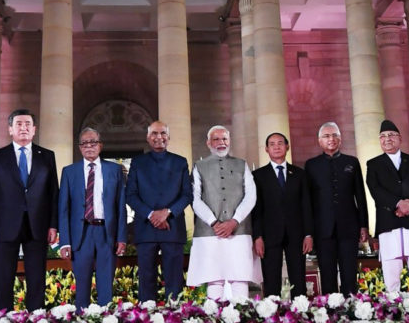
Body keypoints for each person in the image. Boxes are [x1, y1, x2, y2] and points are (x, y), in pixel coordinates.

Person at [0, 108, 59, 311]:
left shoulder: (47, 156)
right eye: (19, 124)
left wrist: (53, 225)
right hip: (4, 226)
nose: (23, 128)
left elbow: (53, 194)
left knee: (37, 279)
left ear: (34, 129)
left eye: (27, 124)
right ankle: (2, 322)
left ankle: (36, 321)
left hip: (37, 226)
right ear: (10, 129)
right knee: (3, 279)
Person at [187, 125, 262, 301]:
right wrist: (214, 222)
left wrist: (234, 221)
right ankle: (214, 317)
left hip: (239, 230)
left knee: (240, 277)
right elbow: (194, 198)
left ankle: (241, 315)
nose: (221, 142)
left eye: (224, 139)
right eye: (216, 139)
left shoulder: (241, 164)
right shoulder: (199, 166)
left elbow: (251, 195)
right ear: (208, 143)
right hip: (209, 232)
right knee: (214, 279)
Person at [58, 127, 127, 309]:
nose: (89, 146)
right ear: (80, 147)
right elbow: (63, 209)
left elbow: (120, 206)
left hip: (107, 233)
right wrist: (64, 242)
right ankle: (82, 321)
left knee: (106, 287)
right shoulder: (69, 172)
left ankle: (106, 321)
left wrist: (121, 237)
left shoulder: (114, 170)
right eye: (85, 143)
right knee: (82, 288)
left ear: (100, 145)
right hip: (81, 235)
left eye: (93, 142)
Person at [126, 121, 193, 302]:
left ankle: (175, 316)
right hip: (146, 228)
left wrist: (167, 213)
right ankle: (146, 316)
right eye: (154, 133)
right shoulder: (138, 162)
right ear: (148, 138)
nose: (159, 137)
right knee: (146, 279)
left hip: (172, 227)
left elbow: (187, 195)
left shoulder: (180, 162)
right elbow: (130, 195)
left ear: (168, 137)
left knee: (174, 280)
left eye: (163, 133)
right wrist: (151, 214)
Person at [365, 120, 409, 293]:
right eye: (383, 136)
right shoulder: (373, 164)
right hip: (389, 223)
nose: (387, 139)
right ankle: (393, 308)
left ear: (400, 138)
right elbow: (375, 190)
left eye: (391, 135)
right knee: (391, 277)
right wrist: (398, 203)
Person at [305, 121, 369, 296]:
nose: (331, 139)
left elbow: (360, 196)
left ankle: (352, 306)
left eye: (335, 135)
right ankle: (331, 308)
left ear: (340, 139)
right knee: (327, 274)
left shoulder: (352, 162)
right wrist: (309, 231)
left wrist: (364, 225)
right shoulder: (311, 165)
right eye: (326, 136)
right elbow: (308, 201)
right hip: (322, 229)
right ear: (319, 141)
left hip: (349, 227)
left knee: (350, 272)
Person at [252, 132, 314, 299]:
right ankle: (272, 311)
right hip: (269, 235)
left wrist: (308, 234)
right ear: (266, 149)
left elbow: (306, 206)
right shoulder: (258, 176)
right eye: (272, 144)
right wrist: (257, 236)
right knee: (271, 280)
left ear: (287, 147)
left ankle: (299, 310)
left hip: (297, 235)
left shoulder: (300, 174)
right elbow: (256, 209)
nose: (277, 147)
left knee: (299, 278)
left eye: (280, 143)